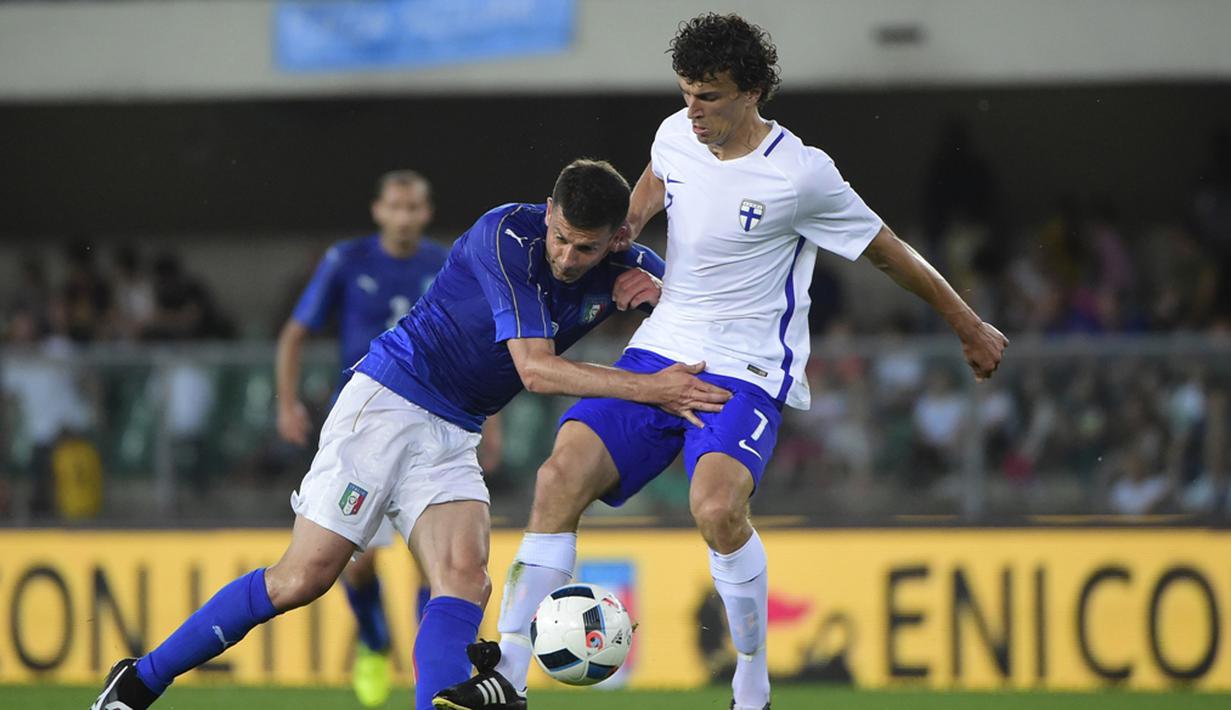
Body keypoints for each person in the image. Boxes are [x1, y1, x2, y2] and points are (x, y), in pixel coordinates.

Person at [436, 14, 1008, 710]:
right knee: (558, 475)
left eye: (709, 96)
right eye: (686, 93)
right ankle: (509, 675)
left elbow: (889, 251)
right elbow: (650, 189)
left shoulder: (803, 175)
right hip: (658, 351)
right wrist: (626, 253)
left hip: (744, 369)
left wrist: (968, 325)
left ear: (753, 91)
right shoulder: (676, 135)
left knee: (714, 508)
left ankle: (751, 681)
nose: (693, 110)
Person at [91, 158, 730, 710]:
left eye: (585, 249)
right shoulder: (505, 233)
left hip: (455, 429)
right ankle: (139, 682)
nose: (567, 257)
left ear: (618, 239)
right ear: (548, 212)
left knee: (464, 578)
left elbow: (703, 315)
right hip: (390, 401)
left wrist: (659, 297)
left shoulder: (635, 264)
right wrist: (653, 387)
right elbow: (534, 371)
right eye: (561, 237)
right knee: (304, 578)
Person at [274, 169, 448, 707]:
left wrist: (494, 424)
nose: (404, 217)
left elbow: (480, 342)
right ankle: (374, 643)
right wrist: (286, 402)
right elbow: (294, 333)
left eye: (413, 208)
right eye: (395, 207)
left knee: (437, 562)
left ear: (426, 213)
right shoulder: (346, 260)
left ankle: (430, 671)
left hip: (432, 421)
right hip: (363, 427)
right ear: (379, 211)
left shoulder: (442, 263)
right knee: (358, 561)